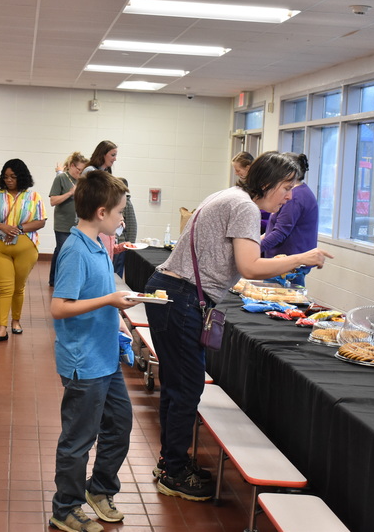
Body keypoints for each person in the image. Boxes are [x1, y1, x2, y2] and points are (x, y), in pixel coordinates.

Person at [144, 151, 333, 501]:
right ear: (267, 184)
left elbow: (243, 252)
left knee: (176, 385)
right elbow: (249, 266)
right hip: (182, 297)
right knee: (186, 388)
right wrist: (300, 258)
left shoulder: (230, 196)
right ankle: (174, 471)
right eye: (287, 187)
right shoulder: (245, 206)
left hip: (171, 291)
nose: (290, 196)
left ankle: (170, 462)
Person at [49, 170, 139, 532]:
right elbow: (60, 307)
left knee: (119, 424)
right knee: (78, 440)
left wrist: (117, 315)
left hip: (105, 355)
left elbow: (96, 294)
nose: (122, 219)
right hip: (84, 363)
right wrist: (109, 300)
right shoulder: (74, 250)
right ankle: (65, 507)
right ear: (101, 212)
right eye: (119, 213)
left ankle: (99, 489)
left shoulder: (100, 244)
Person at [0, 159, 47, 341]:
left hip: (26, 250)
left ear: (22, 177)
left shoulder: (33, 197)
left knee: (18, 287)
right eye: (6, 176)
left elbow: (40, 221)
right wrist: (1, 226)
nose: (9, 180)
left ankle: (15, 321)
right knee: (3, 288)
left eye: (13, 177)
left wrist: (17, 229)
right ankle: (1, 328)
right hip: (0, 248)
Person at [260, 152, 319, 285]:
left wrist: (254, 250)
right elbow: (275, 228)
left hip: (286, 267)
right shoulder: (301, 192)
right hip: (285, 263)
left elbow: (280, 233)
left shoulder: (295, 197)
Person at [83, 141, 136, 277]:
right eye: (112, 155)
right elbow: (95, 201)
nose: (115, 159)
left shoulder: (105, 172)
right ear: (102, 154)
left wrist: (116, 218)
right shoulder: (90, 172)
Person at [49, 152, 88, 286]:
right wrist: (70, 193)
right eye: (78, 170)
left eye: (82, 171)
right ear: (71, 166)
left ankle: (56, 279)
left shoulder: (82, 181)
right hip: (63, 223)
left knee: (66, 251)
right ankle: (59, 282)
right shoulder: (61, 178)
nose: (80, 173)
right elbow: (53, 201)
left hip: (78, 224)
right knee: (63, 252)